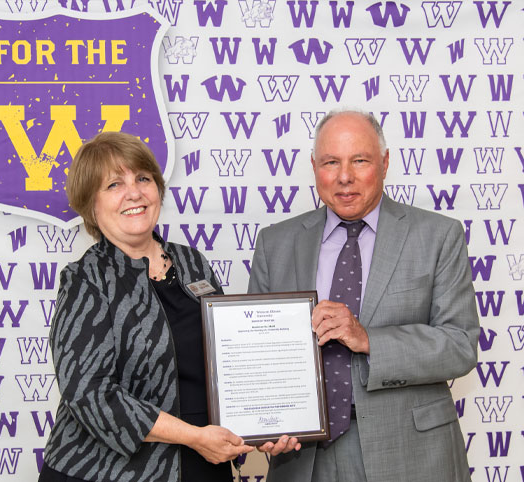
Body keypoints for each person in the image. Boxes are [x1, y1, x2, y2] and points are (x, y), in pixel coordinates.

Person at [248, 109, 479, 482]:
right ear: (313, 167)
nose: (344, 177)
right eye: (330, 162)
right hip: (303, 459)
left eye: (360, 160)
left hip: (410, 452)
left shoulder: (437, 236)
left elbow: (460, 345)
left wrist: (368, 338)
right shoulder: (275, 243)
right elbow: (258, 357)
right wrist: (263, 423)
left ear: (385, 163)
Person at [39, 131, 253, 482]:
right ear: (91, 205)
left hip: (202, 463)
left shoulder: (193, 263)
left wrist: (268, 425)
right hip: (107, 472)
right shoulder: (86, 279)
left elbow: (229, 362)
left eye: (142, 178)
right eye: (113, 185)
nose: (134, 192)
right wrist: (194, 437)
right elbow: (89, 393)